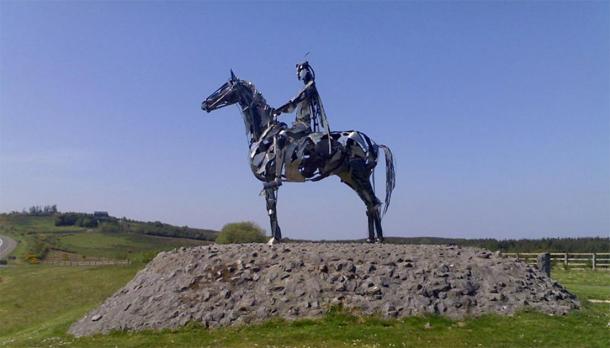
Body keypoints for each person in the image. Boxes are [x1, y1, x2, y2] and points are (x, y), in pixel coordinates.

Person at [273, 61, 330, 137]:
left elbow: (293, 103)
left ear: (304, 71)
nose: (297, 74)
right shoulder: (307, 88)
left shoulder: (309, 89)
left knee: (283, 134)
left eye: (299, 72)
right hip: (298, 124)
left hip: (303, 125)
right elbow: (292, 106)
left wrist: (278, 110)